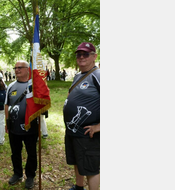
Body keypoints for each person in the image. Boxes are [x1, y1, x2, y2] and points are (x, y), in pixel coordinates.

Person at [63, 42, 100, 190]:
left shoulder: (99, 75)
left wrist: (99, 126)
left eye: (86, 54)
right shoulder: (79, 75)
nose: (81, 57)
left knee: (91, 168)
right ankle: (79, 187)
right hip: (72, 131)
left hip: (87, 134)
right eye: (79, 54)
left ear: (94, 56)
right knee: (78, 161)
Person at [5, 60, 39, 189]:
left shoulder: (34, 86)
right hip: (14, 127)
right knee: (15, 152)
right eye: (15, 68)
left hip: (30, 127)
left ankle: (30, 176)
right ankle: (17, 173)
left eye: (20, 67)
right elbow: (7, 105)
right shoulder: (11, 86)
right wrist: (7, 122)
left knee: (31, 152)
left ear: (27, 69)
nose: (17, 70)